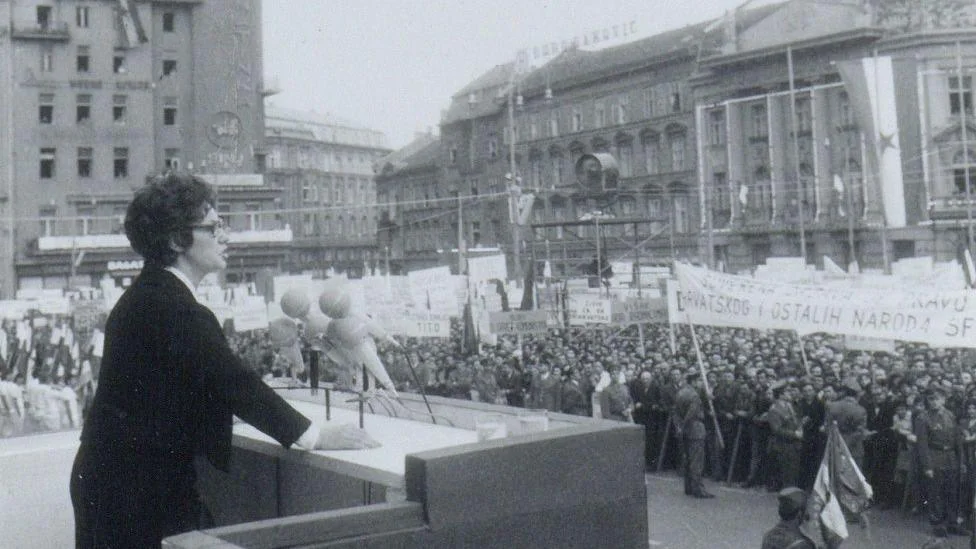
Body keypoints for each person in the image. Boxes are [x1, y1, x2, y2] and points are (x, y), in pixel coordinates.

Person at [69, 174, 380, 548]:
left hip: (118, 479)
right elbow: (235, 382)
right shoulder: (174, 306)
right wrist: (313, 435)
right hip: (135, 489)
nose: (225, 235)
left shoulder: (150, 294)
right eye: (214, 226)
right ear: (175, 239)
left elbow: (172, 385)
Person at [673, 371, 714, 498]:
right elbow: (691, 413)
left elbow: (676, 412)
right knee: (697, 460)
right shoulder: (694, 396)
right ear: (694, 381)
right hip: (695, 428)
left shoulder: (680, 392)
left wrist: (680, 428)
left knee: (688, 459)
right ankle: (698, 488)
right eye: (700, 381)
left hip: (684, 430)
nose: (702, 383)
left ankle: (689, 486)